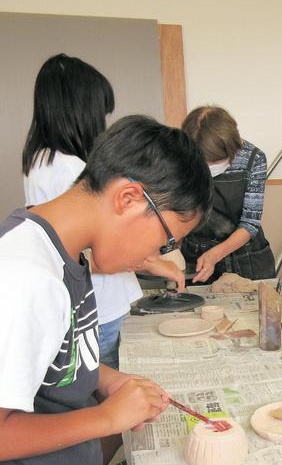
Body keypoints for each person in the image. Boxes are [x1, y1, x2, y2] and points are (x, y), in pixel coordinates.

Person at [0, 115, 213, 463]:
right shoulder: (25, 275)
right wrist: (107, 417)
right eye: (165, 241)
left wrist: (107, 380)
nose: (153, 257)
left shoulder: (66, 252)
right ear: (128, 198)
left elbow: (55, 360)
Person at [22, 53, 184, 370]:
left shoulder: (39, 160)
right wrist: (157, 265)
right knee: (104, 383)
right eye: (101, 113)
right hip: (100, 308)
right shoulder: (68, 169)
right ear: (82, 111)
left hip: (94, 304)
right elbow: (90, 254)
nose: (103, 124)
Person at [180, 106, 275, 283]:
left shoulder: (253, 158)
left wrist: (216, 254)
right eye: (203, 161)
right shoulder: (181, 156)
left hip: (246, 258)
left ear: (232, 148)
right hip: (196, 258)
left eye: (215, 161)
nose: (209, 167)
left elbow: (250, 223)